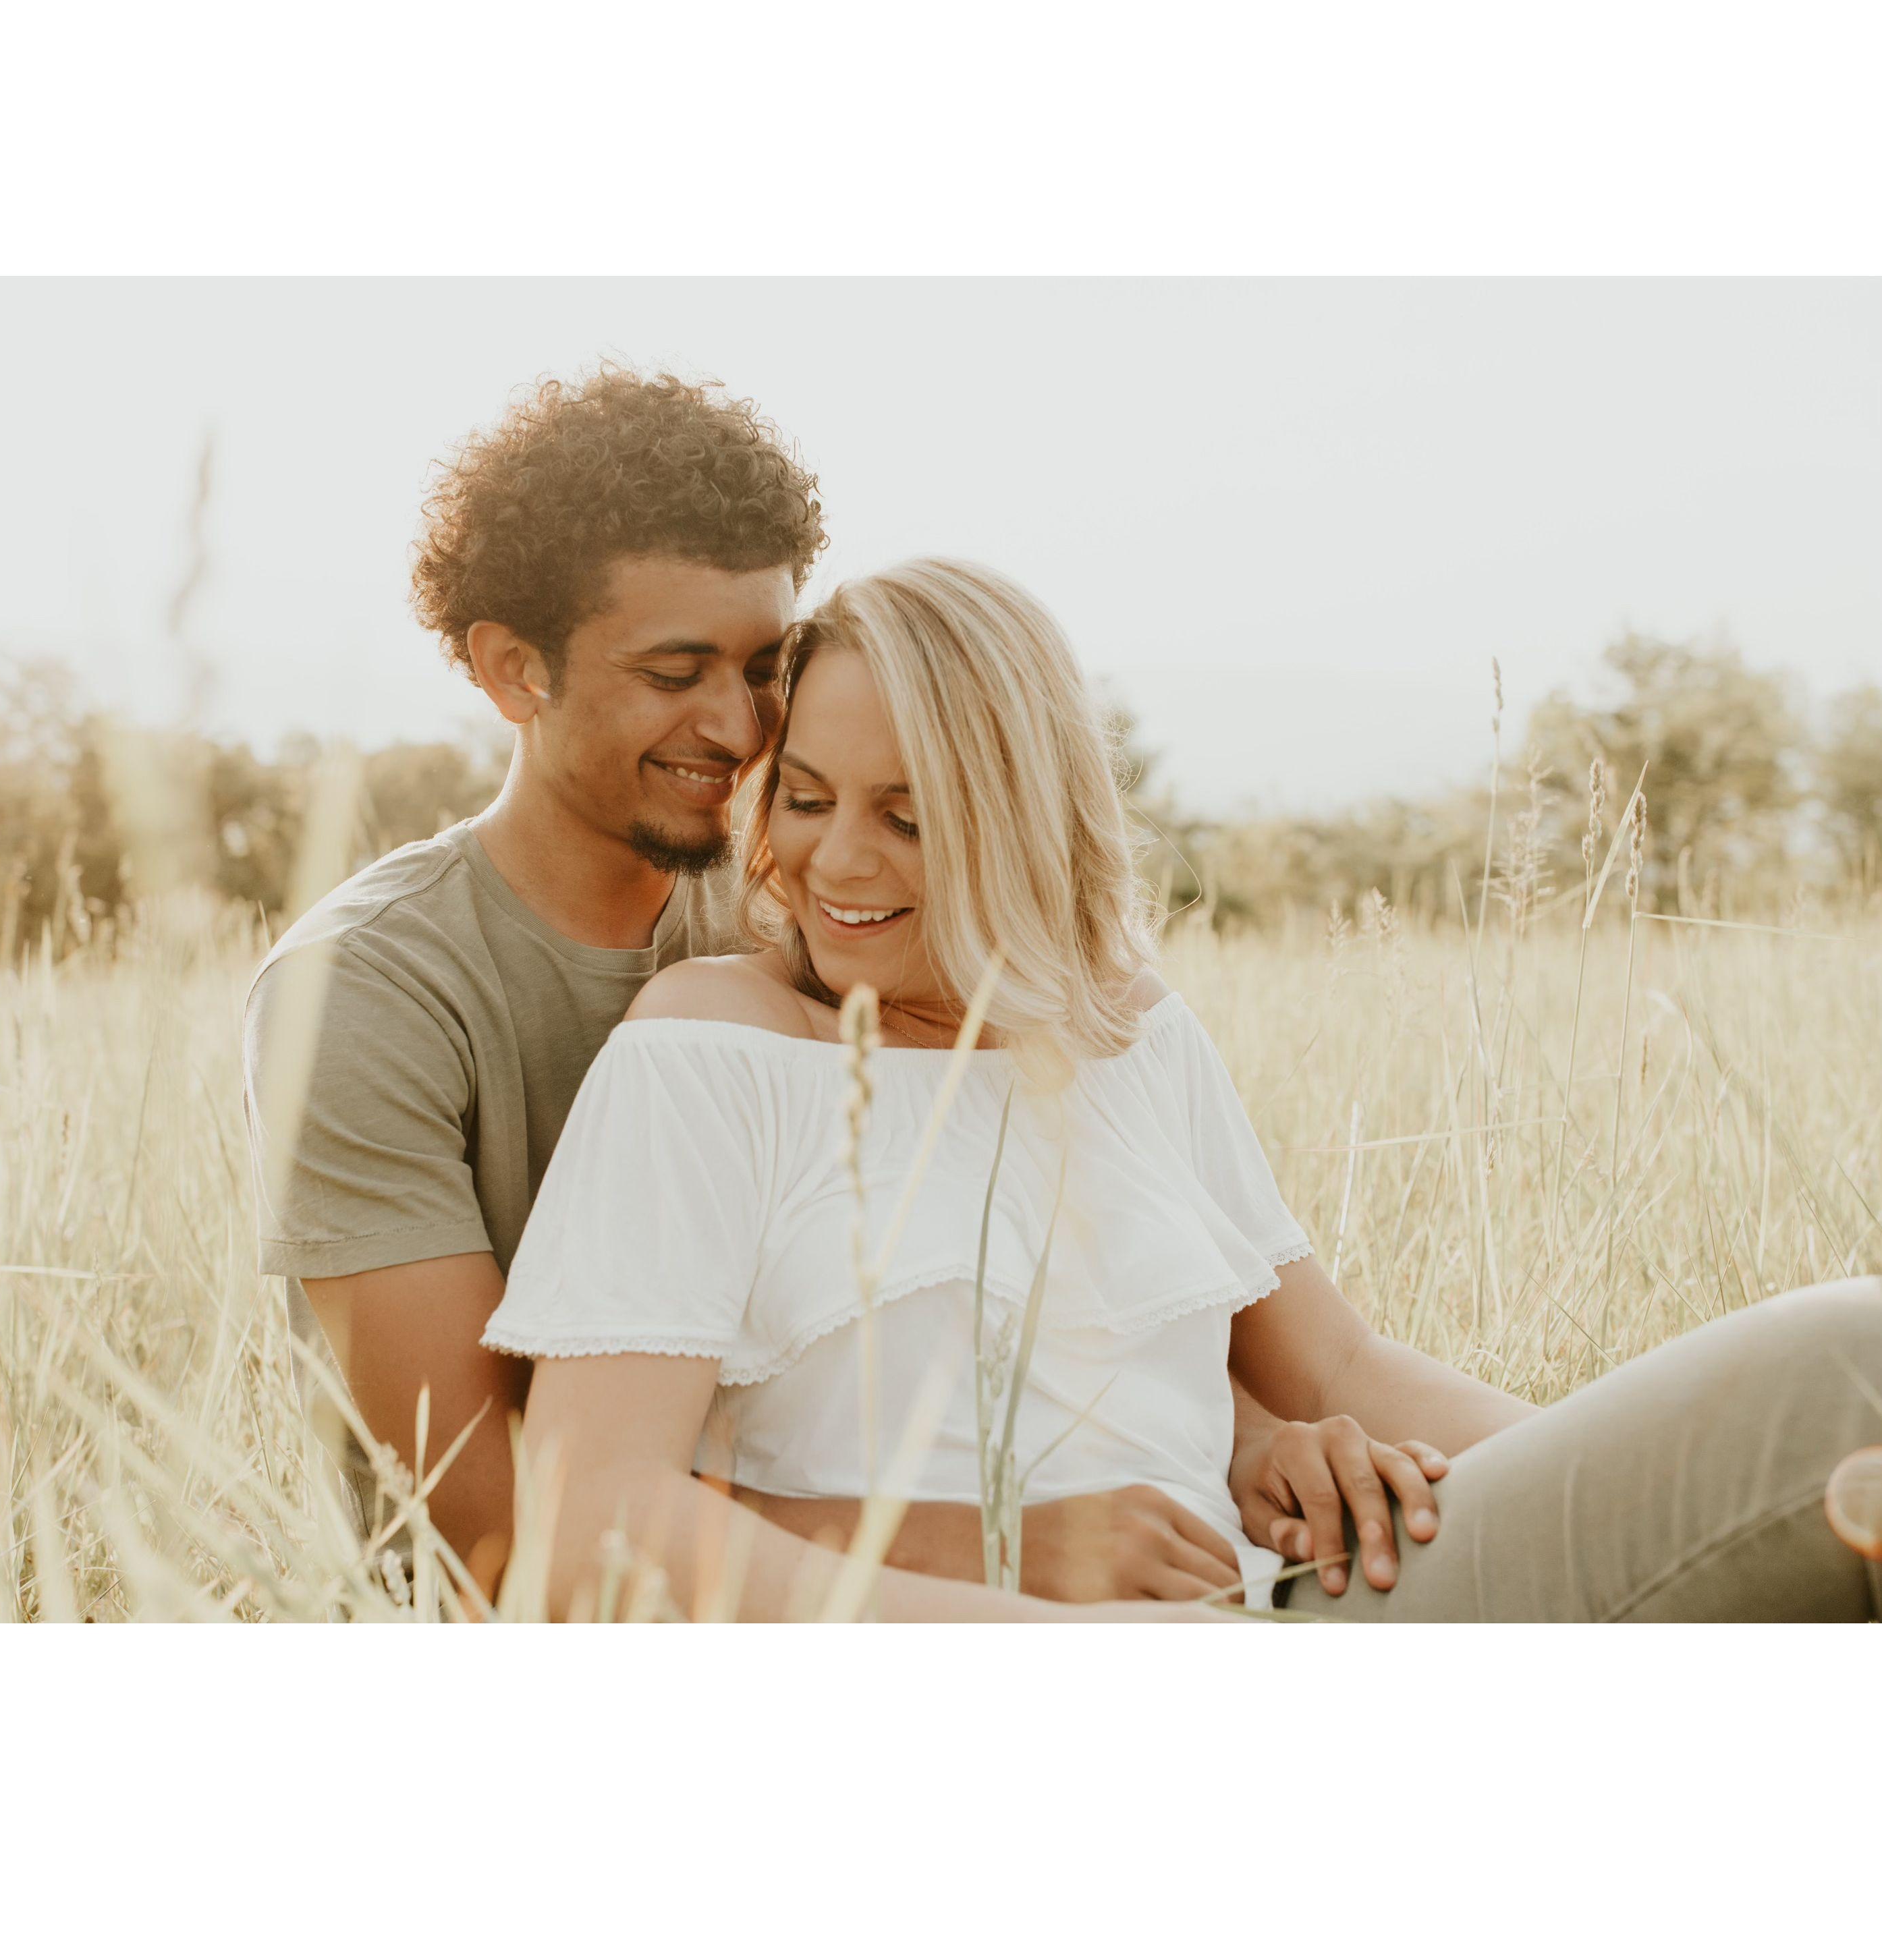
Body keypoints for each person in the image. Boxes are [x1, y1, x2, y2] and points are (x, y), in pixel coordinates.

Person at [482, 556, 1882, 1621]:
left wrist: (1638, 1488)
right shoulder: (711, 1051)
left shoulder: (1126, 1031)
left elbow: (1339, 1369)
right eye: (806, 799)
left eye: (909, 818)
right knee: (1840, 1372)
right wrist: (1008, 1558)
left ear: (1022, 821)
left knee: (1845, 1388)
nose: (839, 862)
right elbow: (592, 1522)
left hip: (1299, 1611)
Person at [243, 367, 1421, 1610]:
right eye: (674, 672)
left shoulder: (812, 904)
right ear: (512, 670)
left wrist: (1238, 1443)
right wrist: (992, 1539)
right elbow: (509, 1524)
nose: (738, 727)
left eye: (764, 667)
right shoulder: (363, 994)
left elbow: (964, 1283)